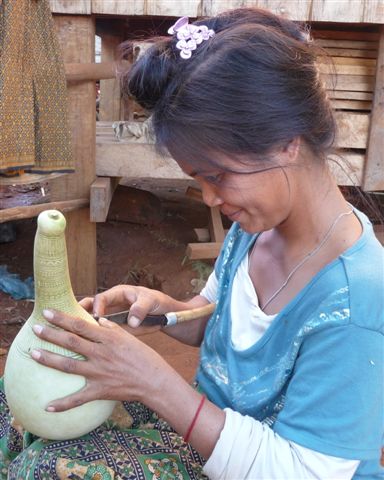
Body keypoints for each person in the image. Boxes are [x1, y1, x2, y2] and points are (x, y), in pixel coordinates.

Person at [1, 7, 383, 480]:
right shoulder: (255, 226)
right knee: (13, 406)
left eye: (218, 176)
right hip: (210, 428)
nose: (207, 197)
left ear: (288, 141)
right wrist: (163, 310)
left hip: (263, 464)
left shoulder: (358, 302)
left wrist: (157, 384)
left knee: (45, 467)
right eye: (197, 179)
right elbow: (213, 315)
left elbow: (303, 470)